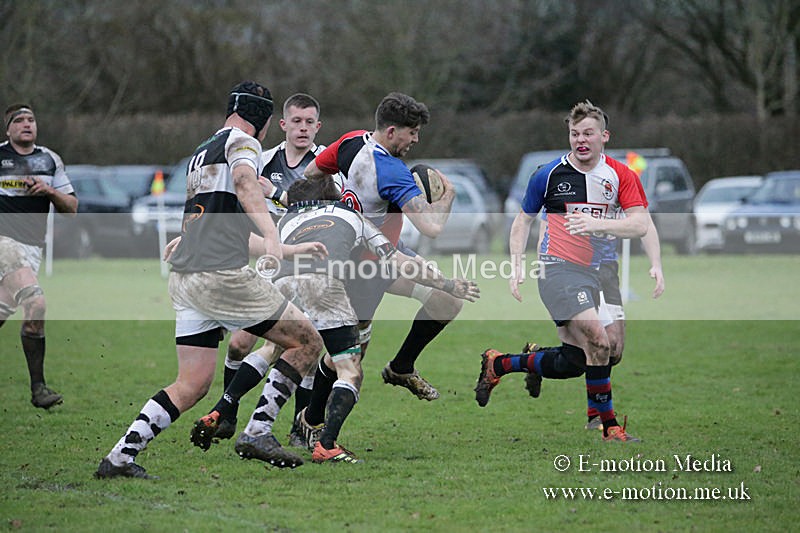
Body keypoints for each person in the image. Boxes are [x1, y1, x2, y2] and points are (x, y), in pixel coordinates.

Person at [95, 81, 326, 479]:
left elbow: (218, 221)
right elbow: (245, 183)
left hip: (187, 277)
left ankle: (119, 458)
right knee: (307, 340)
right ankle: (258, 431)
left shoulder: (203, 150)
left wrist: (287, 249)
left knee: (193, 383)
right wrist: (272, 233)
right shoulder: (244, 143)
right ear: (265, 120)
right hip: (221, 276)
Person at [197, 176, 479, 462]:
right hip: (322, 284)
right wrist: (448, 284)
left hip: (280, 284)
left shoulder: (286, 221)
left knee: (279, 349)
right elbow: (399, 261)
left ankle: (234, 415)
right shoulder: (352, 215)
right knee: (350, 369)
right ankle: (326, 445)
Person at [476, 100, 648, 442]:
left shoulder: (621, 175)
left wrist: (598, 223)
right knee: (597, 341)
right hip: (559, 270)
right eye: (574, 133)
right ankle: (608, 426)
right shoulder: (548, 174)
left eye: (588, 133)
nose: (580, 140)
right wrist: (516, 266)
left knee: (600, 354)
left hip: (601, 272)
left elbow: (640, 224)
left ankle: (501, 364)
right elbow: (522, 221)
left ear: (604, 136)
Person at [304, 92, 462, 401]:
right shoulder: (392, 171)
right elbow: (431, 227)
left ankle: (401, 367)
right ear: (391, 131)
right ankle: (310, 419)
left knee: (447, 300)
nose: (415, 139)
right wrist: (448, 196)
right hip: (367, 268)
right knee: (349, 358)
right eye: (412, 132)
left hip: (388, 255)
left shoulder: (351, 142)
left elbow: (311, 174)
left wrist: (339, 211)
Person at [195, 93, 333, 447]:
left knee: (305, 344)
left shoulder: (325, 164)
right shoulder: (262, 158)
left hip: (310, 263)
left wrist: (276, 193)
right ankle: (228, 415)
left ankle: (299, 428)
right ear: (283, 124)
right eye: (296, 121)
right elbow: (241, 202)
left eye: (310, 122)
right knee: (240, 343)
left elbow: (328, 210)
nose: (303, 128)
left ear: (318, 127)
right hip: (271, 261)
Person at [528, 199, 665, 430]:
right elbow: (547, 226)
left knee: (614, 350)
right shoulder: (567, 188)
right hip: (574, 269)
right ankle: (597, 416)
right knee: (592, 348)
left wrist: (656, 263)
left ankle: (535, 358)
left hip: (607, 269)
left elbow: (645, 222)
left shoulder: (621, 185)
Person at [0, 104, 78, 409]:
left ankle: (38, 389)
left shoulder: (50, 160)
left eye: (30, 119)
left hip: (32, 250)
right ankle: (39, 389)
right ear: (8, 129)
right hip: (4, 244)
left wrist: (49, 191)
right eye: (18, 120)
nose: (26, 124)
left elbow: (71, 208)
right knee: (36, 303)